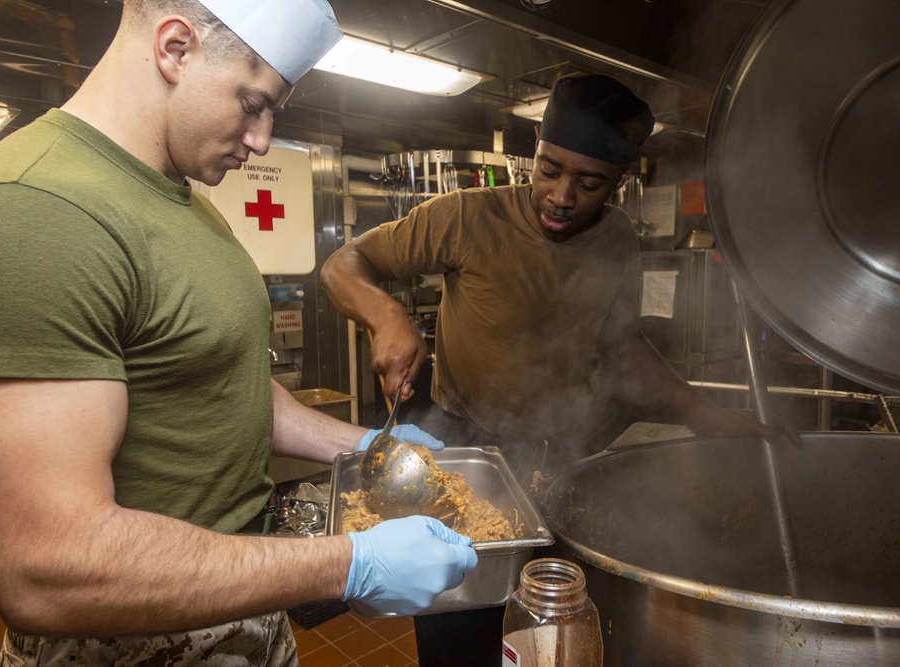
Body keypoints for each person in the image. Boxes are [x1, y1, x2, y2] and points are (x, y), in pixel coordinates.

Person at [0, 0, 477, 664]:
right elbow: (48, 567)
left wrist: (368, 445)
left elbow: (225, 384)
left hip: (235, 610)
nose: (260, 139)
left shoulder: (184, 200)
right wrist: (347, 563)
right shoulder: (42, 205)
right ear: (175, 47)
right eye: (253, 104)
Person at [321, 73, 798, 666]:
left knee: (547, 628)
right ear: (535, 153)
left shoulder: (618, 238)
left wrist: (703, 412)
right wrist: (386, 313)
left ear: (619, 183)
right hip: (462, 448)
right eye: (549, 169)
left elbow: (622, 349)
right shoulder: (467, 217)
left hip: (557, 458)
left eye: (589, 182)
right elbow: (345, 263)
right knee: (458, 629)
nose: (561, 197)